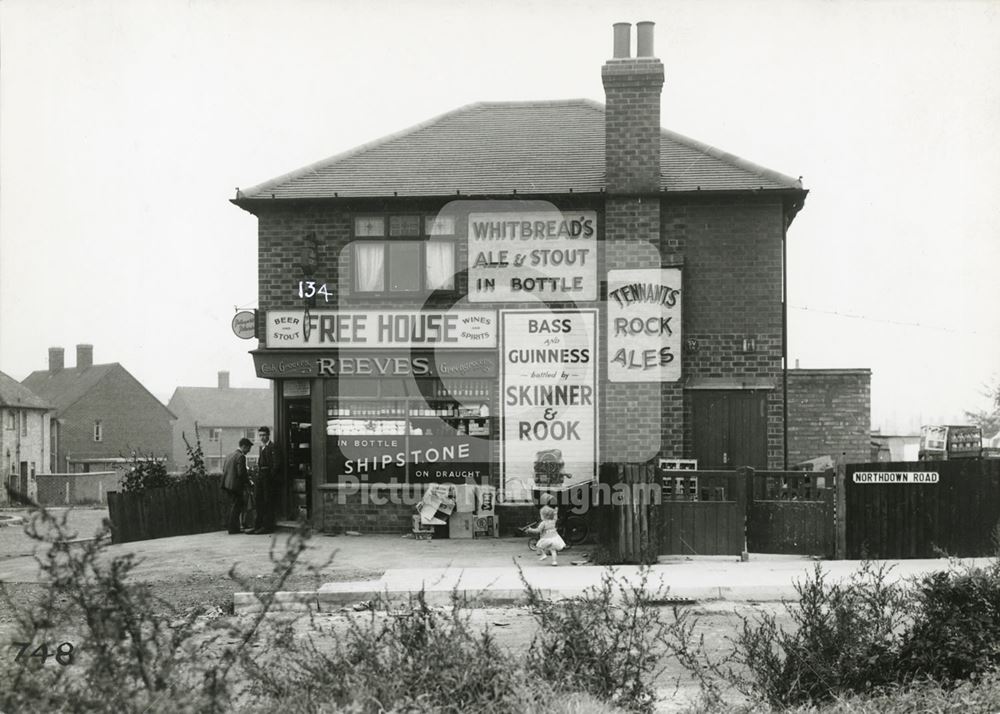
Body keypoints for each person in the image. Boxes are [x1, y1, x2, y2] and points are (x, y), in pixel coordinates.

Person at [251, 426, 281, 534]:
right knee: (259, 501)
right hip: (261, 478)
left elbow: (276, 465)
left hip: (268, 479)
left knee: (268, 502)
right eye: (260, 435)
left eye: (264, 435)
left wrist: (270, 478)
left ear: (268, 435)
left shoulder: (273, 447)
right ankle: (257, 526)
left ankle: (267, 527)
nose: (262, 437)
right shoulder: (262, 448)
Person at [221, 438, 253, 535]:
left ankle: (232, 527)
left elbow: (224, 470)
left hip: (227, 485)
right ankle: (233, 529)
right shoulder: (241, 456)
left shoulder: (229, 455)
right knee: (236, 506)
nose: (248, 451)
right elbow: (241, 473)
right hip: (236, 486)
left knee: (233, 506)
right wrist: (249, 482)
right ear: (244, 446)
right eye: (248, 449)